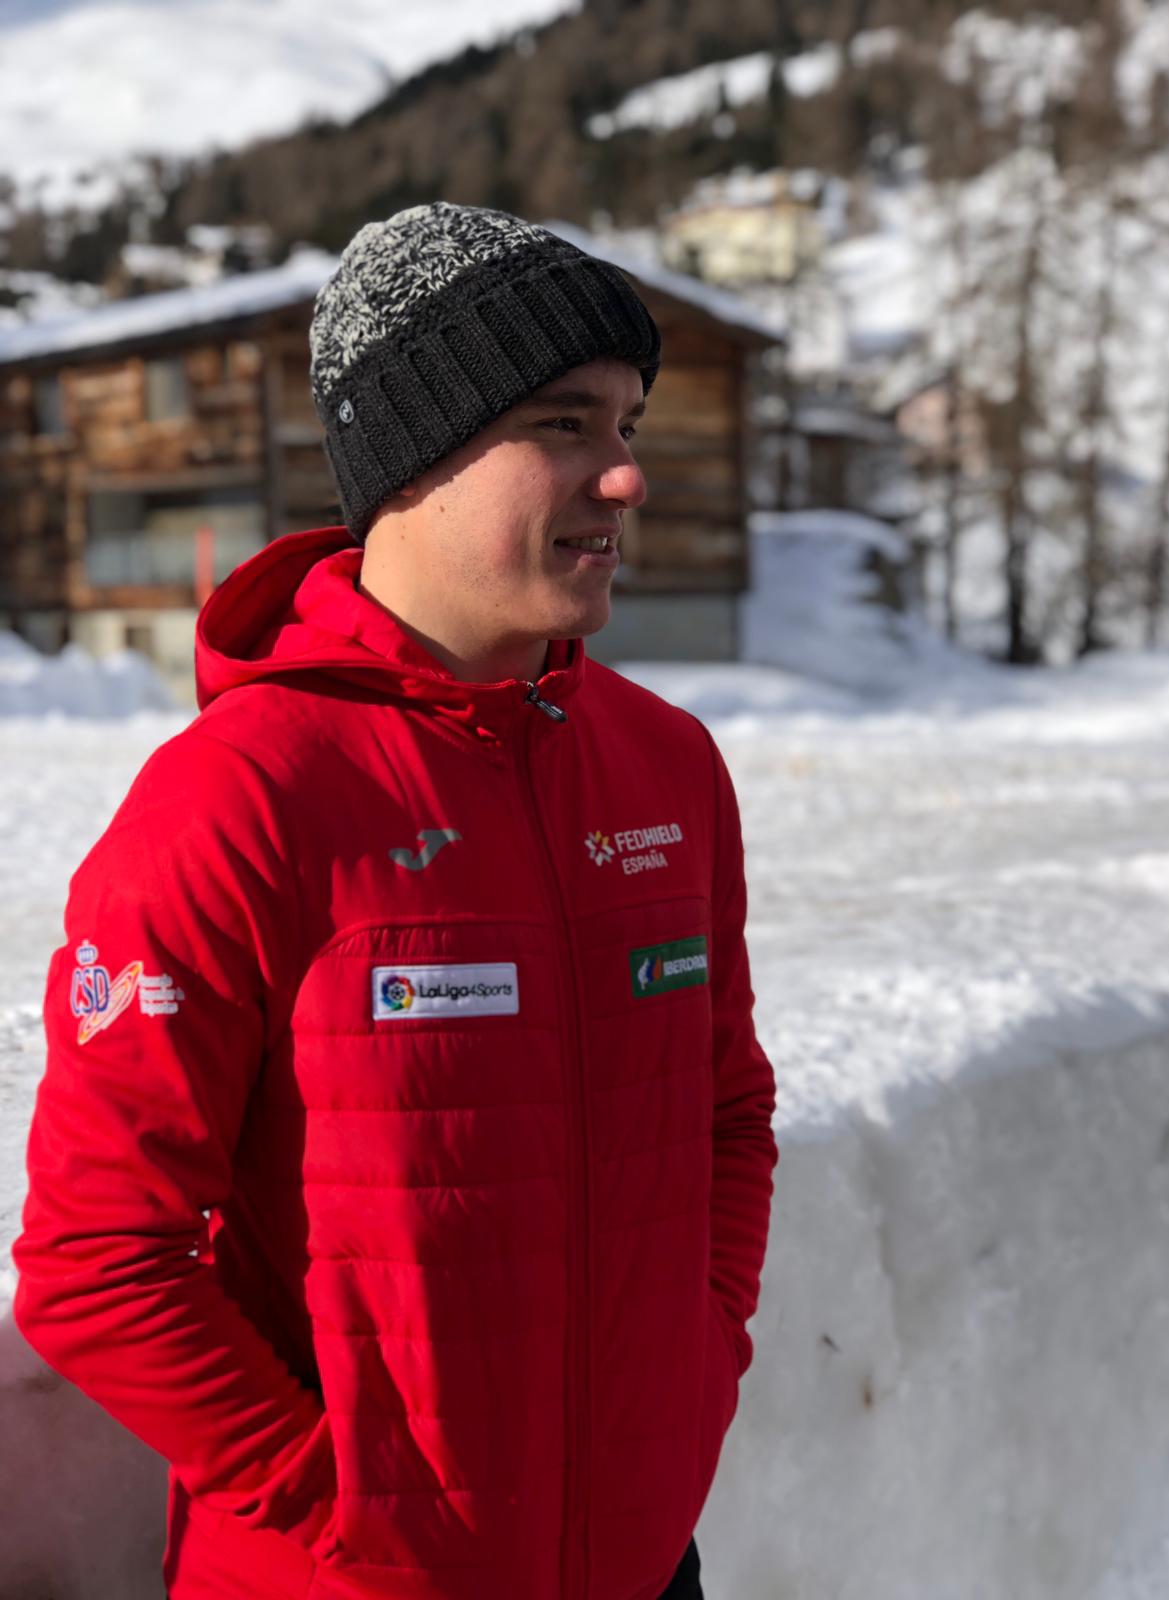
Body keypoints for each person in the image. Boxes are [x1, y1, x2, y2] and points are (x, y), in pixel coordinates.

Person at [13, 202, 778, 1600]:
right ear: (414, 460)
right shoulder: (241, 797)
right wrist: (351, 1512)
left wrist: (698, 1363)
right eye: (564, 424)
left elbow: (725, 1110)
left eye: (627, 427)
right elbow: (96, 1264)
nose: (624, 480)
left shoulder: (667, 766)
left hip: (641, 1562)